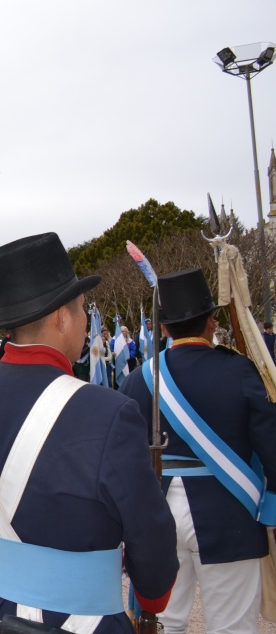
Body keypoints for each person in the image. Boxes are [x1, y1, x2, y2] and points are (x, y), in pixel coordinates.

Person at [0, 233, 177, 633]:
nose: (86, 320)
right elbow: (149, 536)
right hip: (83, 619)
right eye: (83, 309)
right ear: (61, 317)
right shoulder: (110, 412)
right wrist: (154, 594)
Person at [120, 268, 276, 634]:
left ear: (163, 329)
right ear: (212, 322)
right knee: (232, 626)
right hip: (229, 514)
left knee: (163, 625)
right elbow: (270, 444)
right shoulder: (240, 370)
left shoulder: (136, 380)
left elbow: (124, 457)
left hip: (158, 515)